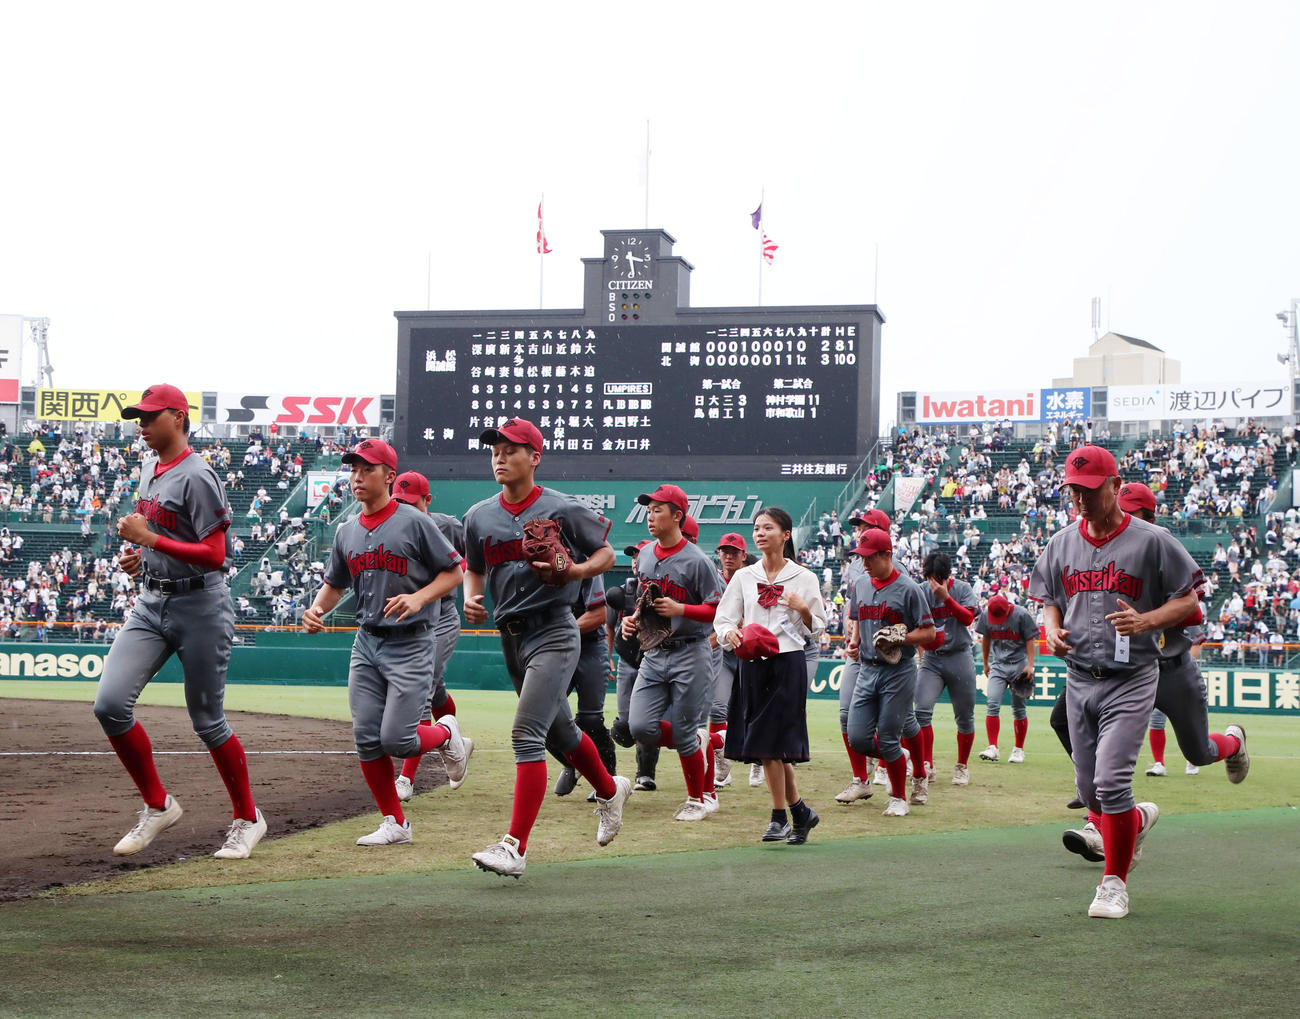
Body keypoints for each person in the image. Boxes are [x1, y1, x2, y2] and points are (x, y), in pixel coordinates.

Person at [92, 384, 267, 860]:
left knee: (207, 722)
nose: (141, 425)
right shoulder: (150, 467)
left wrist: (150, 537)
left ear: (178, 416)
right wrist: (141, 553)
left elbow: (216, 555)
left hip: (201, 607)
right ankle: (157, 805)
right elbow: (161, 535)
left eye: (150, 416)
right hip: (152, 601)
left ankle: (248, 819)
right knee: (109, 705)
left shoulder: (199, 475)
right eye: (138, 417)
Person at [1029, 447, 1204, 919]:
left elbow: (1187, 603)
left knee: (1110, 783)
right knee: (1090, 794)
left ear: (1112, 484)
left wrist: (1147, 621)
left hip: (1131, 678)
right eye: (1073, 491)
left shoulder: (1152, 540)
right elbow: (1048, 596)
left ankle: (1114, 884)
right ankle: (1138, 819)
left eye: (1089, 490)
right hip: (1079, 676)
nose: (1081, 500)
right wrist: (1050, 628)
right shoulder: (1063, 541)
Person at [462, 417, 630, 878]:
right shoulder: (479, 515)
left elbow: (607, 555)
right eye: (494, 448)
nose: (499, 455)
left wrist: (576, 573)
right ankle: (610, 790)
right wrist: (470, 596)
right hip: (510, 637)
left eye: (511, 449)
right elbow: (472, 567)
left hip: (556, 630)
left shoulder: (562, 507)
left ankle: (514, 846)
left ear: (534, 457)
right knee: (562, 735)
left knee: (525, 735)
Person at [1060, 481, 1249, 862]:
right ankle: (1102, 813)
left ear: (1147, 517)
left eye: (1133, 513)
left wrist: (1146, 615)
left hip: (1169, 670)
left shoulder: (1157, 548)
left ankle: (1233, 742)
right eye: (1121, 511)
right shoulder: (1100, 549)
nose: (1122, 520)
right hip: (1115, 672)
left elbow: (1193, 610)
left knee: (1199, 752)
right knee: (1062, 722)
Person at [303, 440, 468, 847]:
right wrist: (316, 609)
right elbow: (334, 584)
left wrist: (419, 597)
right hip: (367, 643)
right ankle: (395, 822)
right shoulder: (347, 530)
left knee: (398, 739)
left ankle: (447, 733)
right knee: (366, 737)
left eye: (368, 469)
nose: (357, 477)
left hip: (412, 643)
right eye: (353, 470)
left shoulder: (413, 522)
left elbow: (455, 572)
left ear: (389, 476)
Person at [715, 506, 826, 843]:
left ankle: (780, 818)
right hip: (751, 666)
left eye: (768, 528)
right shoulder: (744, 577)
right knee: (769, 747)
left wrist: (803, 608)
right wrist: (730, 635)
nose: (760, 533)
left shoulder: (804, 578)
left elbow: (818, 629)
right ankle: (800, 813)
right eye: (756, 528)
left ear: (786, 534)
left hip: (788, 665)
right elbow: (723, 619)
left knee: (767, 743)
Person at [622, 484, 724, 821]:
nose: (650, 516)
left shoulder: (697, 560)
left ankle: (697, 799)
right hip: (654, 652)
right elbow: (645, 600)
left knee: (682, 732)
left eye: (657, 510)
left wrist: (682, 608)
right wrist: (633, 620)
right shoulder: (647, 553)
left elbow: (718, 610)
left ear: (678, 516)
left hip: (690, 652)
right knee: (639, 726)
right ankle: (696, 741)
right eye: (649, 510)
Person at [386, 471, 473, 803]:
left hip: (441, 616)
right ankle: (454, 739)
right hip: (408, 619)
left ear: (427, 500)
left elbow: (474, 557)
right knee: (434, 689)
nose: (405, 508)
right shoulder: (390, 527)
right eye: (399, 502)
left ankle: (406, 779)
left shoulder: (447, 525)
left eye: (412, 502)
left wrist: (473, 589)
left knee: (420, 689)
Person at [844, 528, 935, 817]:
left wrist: (902, 638)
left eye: (870, 557)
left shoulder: (909, 588)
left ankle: (899, 798)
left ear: (887, 554)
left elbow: (929, 632)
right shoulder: (860, 584)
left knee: (887, 738)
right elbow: (858, 616)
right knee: (857, 737)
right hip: (867, 669)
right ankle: (901, 758)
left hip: (899, 671)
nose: (865, 563)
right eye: (862, 557)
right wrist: (855, 641)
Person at [914, 551, 980, 794]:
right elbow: (915, 624)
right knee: (921, 711)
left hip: (960, 655)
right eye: (929, 577)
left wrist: (947, 598)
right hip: (932, 659)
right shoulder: (920, 591)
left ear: (946, 576)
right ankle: (926, 763)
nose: (933, 583)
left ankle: (961, 765)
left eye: (937, 578)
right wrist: (922, 656)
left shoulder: (961, 588)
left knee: (964, 717)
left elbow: (968, 619)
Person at [708, 532, 756, 790]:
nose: (728, 556)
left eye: (734, 552)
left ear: (743, 556)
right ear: (719, 554)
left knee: (754, 712)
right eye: (724, 551)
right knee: (717, 708)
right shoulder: (712, 579)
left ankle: (759, 760)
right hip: (723, 654)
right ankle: (721, 766)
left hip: (749, 654)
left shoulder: (752, 580)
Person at [975, 593, 1038, 766]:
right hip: (998, 664)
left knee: (1018, 708)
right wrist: (986, 663)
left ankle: (1018, 749)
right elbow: (986, 639)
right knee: (992, 703)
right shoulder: (987, 614)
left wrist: (1030, 665)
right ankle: (992, 747)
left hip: (1019, 664)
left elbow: (1030, 640)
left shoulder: (1021, 614)